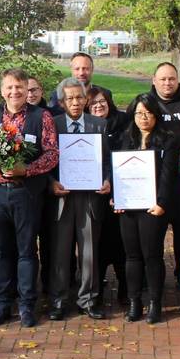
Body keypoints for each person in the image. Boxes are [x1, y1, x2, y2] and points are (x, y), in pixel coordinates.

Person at [0, 68, 60, 327]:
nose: (14, 92)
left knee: (27, 251)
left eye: (19, 87)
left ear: (28, 89)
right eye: (9, 87)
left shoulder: (42, 116)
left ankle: (27, 306)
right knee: (0, 251)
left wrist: (25, 170)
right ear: (2, 90)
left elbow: (51, 154)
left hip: (26, 193)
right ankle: (1, 305)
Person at [48, 78, 112, 320]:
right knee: (60, 252)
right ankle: (58, 300)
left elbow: (106, 160)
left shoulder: (99, 125)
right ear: (61, 102)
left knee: (89, 251)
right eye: (70, 98)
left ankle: (88, 299)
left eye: (79, 97)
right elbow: (45, 161)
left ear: (86, 100)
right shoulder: (52, 125)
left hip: (90, 197)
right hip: (62, 198)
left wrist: (108, 180)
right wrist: (51, 183)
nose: (75, 102)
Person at [113, 93, 180, 323]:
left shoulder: (168, 140)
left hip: (153, 207)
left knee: (152, 255)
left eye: (149, 113)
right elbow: (118, 172)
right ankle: (134, 302)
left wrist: (162, 203)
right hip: (128, 207)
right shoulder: (125, 138)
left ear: (156, 115)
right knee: (131, 256)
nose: (143, 118)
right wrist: (116, 198)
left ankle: (155, 302)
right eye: (139, 113)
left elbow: (168, 176)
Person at [150, 62, 180, 292]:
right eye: (162, 79)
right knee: (154, 234)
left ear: (178, 79)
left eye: (171, 78)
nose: (167, 83)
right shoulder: (146, 102)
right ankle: (153, 278)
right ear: (154, 81)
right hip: (154, 181)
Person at [87, 86, 128, 305]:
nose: (99, 106)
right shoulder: (85, 126)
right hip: (92, 195)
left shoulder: (123, 123)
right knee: (98, 243)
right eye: (93, 103)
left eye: (102, 101)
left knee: (121, 242)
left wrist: (111, 181)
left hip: (120, 191)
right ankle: (96, 291)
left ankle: (125, 288)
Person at [48, 52, 114, 109]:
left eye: (85, 69)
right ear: (71, 70)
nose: (81, 73)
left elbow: (114, 118)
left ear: (92, 69)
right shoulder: (58, 95)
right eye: (77, 69)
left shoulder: (105, 94)